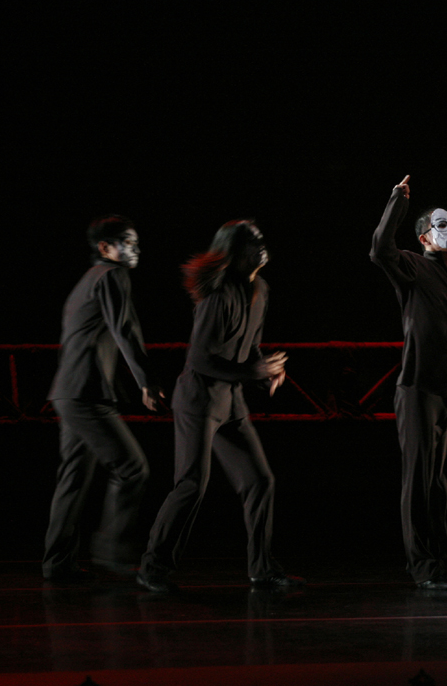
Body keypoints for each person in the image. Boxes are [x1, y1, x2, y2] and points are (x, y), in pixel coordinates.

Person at [138, 220, 301, 593]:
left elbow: (250, 346)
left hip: (230, 401)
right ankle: (153, 567)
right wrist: (252, 371)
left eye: (261, 238)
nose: (260, 245)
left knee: (259, 481)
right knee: (192, 484)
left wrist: (264, 373)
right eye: (251, 242)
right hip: (198, 400)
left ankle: (262, 569)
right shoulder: (219, 295)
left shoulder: (260, 288)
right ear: (234, 253)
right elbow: (199, 359)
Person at [371, 175, 447, 589]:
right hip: (417, 389)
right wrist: (397, 202)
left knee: (442, 482)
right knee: (420, 479)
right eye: (441, 225)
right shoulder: (414, 268)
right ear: (424, 238)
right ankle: (422, 566)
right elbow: (379, 249)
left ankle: (437, 560)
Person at [44, 215, 164, 582]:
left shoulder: (89, 279)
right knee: (132, 468)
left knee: (73, 477)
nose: (136, 249)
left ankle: (57, 563)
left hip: (71, 392)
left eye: (136, 242)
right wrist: (146, 381)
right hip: (84, 394)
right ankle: (112, 555)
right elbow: (124, 329)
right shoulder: (111, 275)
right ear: (105, 247)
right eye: (128, 242)